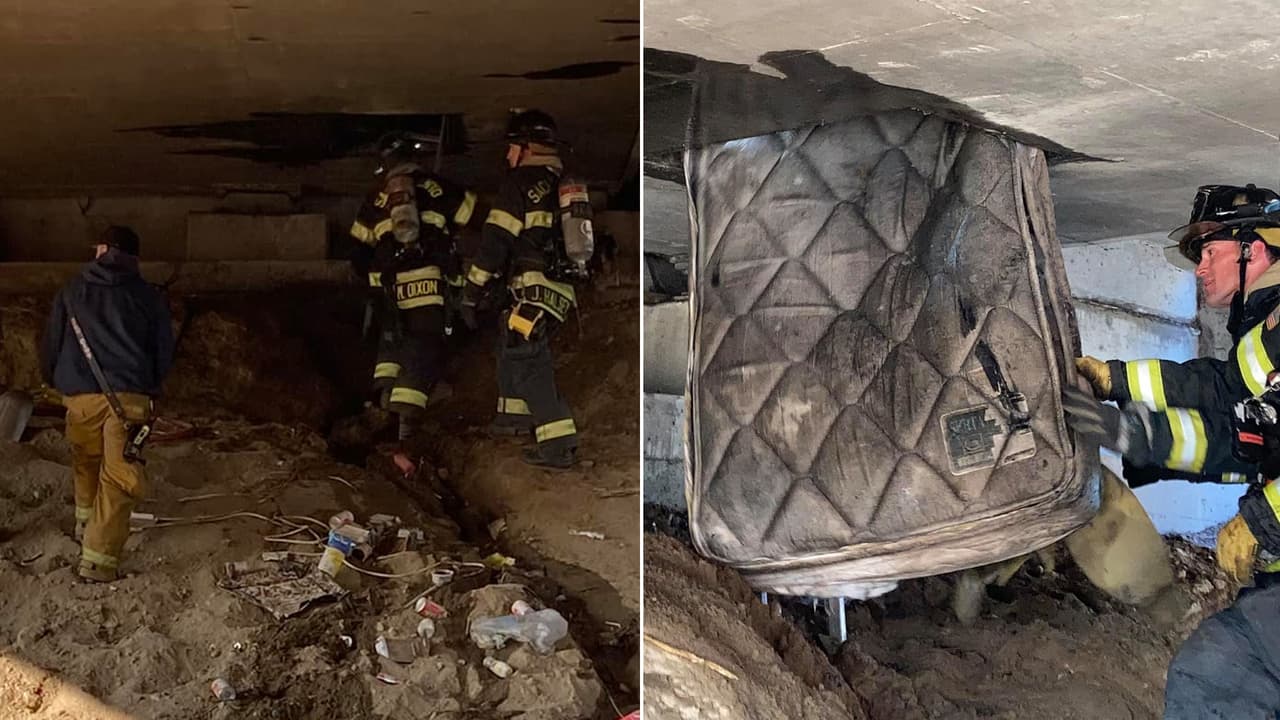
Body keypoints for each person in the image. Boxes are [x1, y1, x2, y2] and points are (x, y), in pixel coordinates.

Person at [1062, 185, 1280, 718]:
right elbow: (1231, 412)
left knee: (1217, 675)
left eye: (1210, 251)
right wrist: (1120, 403)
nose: (1199, 268)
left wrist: (1266, 518)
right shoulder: (1264, 330)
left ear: (1260, 246)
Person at [40, 226, 174, 583]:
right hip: (128, 400)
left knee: (86, 459)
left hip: (79, 397)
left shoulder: (70, 292)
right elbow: (163, 352)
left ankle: (85, 523)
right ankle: (98, 561)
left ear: (101, 250)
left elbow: (51, 344)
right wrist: (154, 388)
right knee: (119, 477)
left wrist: (56, 381)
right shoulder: (148, 297)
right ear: (134, 258)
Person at [460, 109, 581, 469]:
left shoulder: (520, 184)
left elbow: (496, 241)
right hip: (559, 292)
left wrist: (471, 289)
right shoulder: (560, 183)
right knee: (511, 349)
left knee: (529, 364)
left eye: (512, 148)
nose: (507, 156)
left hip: (532, 290)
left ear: (527, 148)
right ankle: (513, 419)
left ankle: (559, 446)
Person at [349, 133, 477, 443]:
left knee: (391, 347)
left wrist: (376, 286)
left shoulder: (374, 199)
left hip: (390, 292)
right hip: (430, 287)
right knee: (423, 348)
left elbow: (356, 253)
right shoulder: (436, 187)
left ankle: (380, 409)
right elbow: (473, 214)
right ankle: (406, 430)